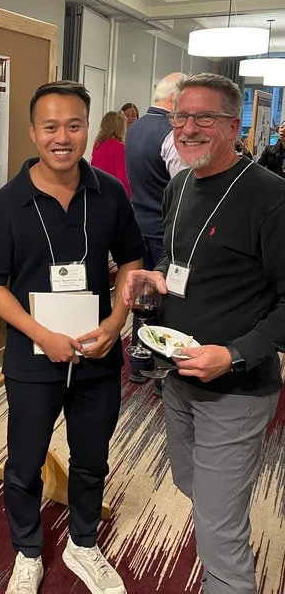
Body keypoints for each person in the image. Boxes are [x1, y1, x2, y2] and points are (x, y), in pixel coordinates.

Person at [0, 80, 143, 594]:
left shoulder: (110, 193)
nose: (62, 138)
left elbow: (131, 261)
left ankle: (83, 543)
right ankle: (28, 551)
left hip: (96, 351)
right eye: (50, 127)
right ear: (33, 132)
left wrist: (117, 322)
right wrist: (41, 334)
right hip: (33, 356)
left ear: (88, 128)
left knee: (92, 457)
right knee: (24, 461)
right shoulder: (7, 204)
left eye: (73, 126)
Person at [123, 73, 285, 594]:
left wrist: (234, 354)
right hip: (177, 375)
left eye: (204, 118)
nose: (188, 128)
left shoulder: (271, 197)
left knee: (219, 530)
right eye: (180, 116)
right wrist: (155, 276)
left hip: (235, 389)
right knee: (189, 482)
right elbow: (176, 261)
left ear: (234, 126)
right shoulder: (180, 185)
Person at [124, 72, 187, 385]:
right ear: (175, 98)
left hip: (138, 223)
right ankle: (163, 372)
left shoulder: (134, 128)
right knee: (166, 300)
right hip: (164, 230)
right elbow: (183, 187)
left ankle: (139, 362)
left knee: (142, 297)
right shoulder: (170, 133)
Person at [91, 110, 131, 198]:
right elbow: (122, 177)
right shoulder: (119, 147)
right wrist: (129, 198)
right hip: (113, 194)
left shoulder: (97, 145)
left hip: (99, 192)